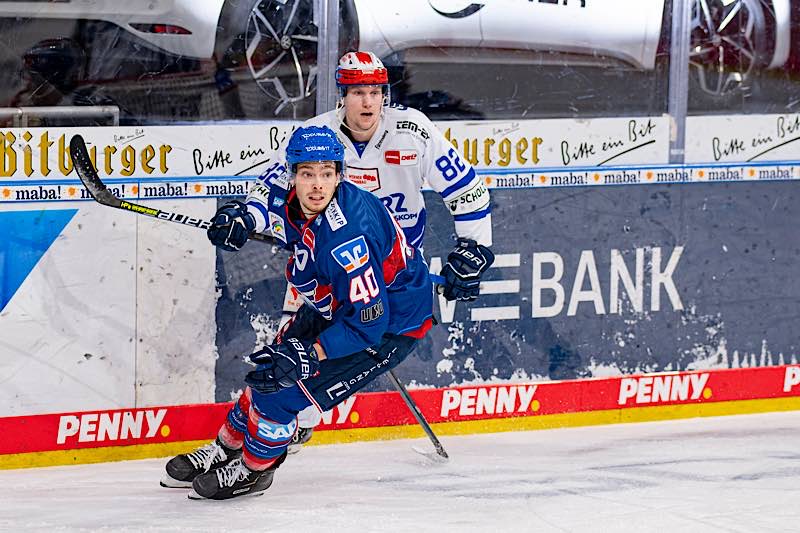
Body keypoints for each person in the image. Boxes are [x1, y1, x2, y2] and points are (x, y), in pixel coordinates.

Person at [161, 125, 434, 500]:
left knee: (283, 393)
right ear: (294, 175)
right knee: (267, 372)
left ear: (340, 175)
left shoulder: (347, 241)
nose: (317, 185)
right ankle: (227, 448)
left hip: (387, 325)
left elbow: (369, 323)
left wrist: (312, 353)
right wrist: (243, 218)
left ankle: (254, 471)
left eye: (326, 174)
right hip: (338, 301)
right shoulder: (296, 191)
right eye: (307, 174)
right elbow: (265, 194)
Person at [282, 50, 496, 450]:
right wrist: (247, 217)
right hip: (328, 261)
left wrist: (475, 248)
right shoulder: (317, 134)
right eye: (358, 91)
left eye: (376, 91)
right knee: (295, 338)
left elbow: (466, 188)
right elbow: (273, 189)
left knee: (356, 338)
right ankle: (278, 416)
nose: (368, 101)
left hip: (392, 267)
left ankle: (296, 415)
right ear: (341, 95)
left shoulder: (412, 131)